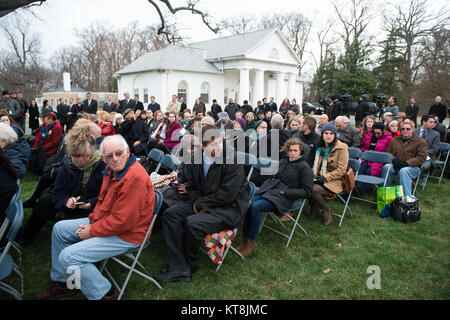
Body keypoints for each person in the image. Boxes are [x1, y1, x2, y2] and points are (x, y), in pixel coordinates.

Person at [35, 134, 155, 300]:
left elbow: (123, 222)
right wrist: (93, 221)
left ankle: (106, 295)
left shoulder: (134, 178)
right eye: (109, 156)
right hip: (110, 223)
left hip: (129, 235)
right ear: (103, 158)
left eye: (119, 153)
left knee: (68, 256)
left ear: (128, 152)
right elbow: (102, 203)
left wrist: (93, 230)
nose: (115, 159)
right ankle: (67, 282)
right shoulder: (111, 171)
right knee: (59, 229)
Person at [154, 125, 249, 282]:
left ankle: (190, 264)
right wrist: (181, 184)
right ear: (204, 146)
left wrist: (198, 204)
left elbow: (227, 195)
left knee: (192, 223)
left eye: (220, 142)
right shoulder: (196, 157)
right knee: (170, 214)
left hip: (228, 209)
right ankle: (178, 265)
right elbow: (189, 179)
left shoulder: (232, 160)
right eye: (214, 144)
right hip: (204, 202)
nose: (219, 147)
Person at [17, 125, 106, 246]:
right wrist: (67, 202)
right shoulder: (68, 164)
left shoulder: (102, 165)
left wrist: (91, 202)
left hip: (93, 207)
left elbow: (106, 194)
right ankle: (26, 235)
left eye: (86, 155)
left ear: (92, 150)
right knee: (44, 200)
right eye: (77, 156)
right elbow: (58, 192)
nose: (81, 160)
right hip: (72, 202)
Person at [237, 138, 314, 257]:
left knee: (255, 207)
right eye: (290, 150)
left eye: (295, 150)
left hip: (285, 197)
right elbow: (273, 177)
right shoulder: (283, 161)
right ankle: (244, 240)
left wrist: (286, 193)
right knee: (248, 205)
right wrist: (267, 185)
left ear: (300, 151)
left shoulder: (305, 168)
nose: (293, 153)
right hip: (271, 191)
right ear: (287, 151)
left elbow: (307, 192)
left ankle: (251, 242)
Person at [309, 122, 348, 226]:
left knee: (313, 189)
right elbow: (313, 163)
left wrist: (325, 177)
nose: (328, 136)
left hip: (335, 180)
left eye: (331, 133)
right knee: (307, 184)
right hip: (319, 176)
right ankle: (314, 207)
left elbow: (341, 170)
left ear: (335, 135)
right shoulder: (319, 146)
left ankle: (325, 209)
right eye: (326, 133)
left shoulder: (342, 147)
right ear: (322, 134)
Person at [381, 119, 427, 197]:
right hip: (397, 164)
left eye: (408, 129)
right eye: (403, 129)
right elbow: (388, 152)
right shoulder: (395, 140)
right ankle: (385, 194)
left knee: (403, 171)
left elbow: (421, 158)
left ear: (413, 129)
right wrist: (394, 160)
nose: (405, 131)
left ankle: (406, 199)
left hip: (412, 167)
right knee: (387, 167)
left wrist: (407, 163)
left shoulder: (420, 142)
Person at [357, 122, 393, 191]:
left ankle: (362, 189)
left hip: (379, 160)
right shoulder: (368, 135)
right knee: (360, 168)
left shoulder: (388, 138)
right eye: (375, 133)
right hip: (366, 158)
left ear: (383, 131)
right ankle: (357, 187)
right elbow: (363, 146)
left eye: (378, 133)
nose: (376, 135)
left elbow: (388, 152)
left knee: (369, 171)